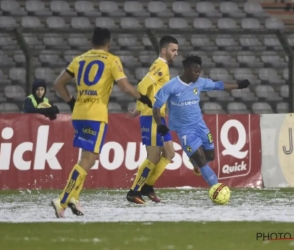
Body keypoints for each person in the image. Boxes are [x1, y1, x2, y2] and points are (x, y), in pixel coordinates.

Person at [51, 27, 152, 218]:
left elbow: (58, 83)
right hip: (96, 115)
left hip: (79, 113)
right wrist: (143, 98)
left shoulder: (79, 59)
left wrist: (72, 102)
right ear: (109, 43)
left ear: (91, 42)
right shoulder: (112, 60)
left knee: (86, 158)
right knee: (89, 159)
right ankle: (62, 200)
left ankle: (74, 197)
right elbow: (124, 86)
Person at [153, 55, 251, 189]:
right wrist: (160, 125)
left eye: (199, 71)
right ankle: (217, 188)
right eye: (195, 71)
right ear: (186, 69)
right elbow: (156, 107)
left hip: (200, 126)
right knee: (201, 160)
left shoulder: (199, 83)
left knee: (210, 156)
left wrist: (238, 85)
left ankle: (194, 162)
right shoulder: (172, 86)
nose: (198, 74)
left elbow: (218, 85)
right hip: (185, 130)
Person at [126, 36, 178, 204]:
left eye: (177, 50)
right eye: (173, 50)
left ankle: (147, 187)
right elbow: (142, 86)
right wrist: (143, 107)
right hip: (152, 118)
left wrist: (138, 108)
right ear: (164, 50)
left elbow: (150, 90)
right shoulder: (160, 66)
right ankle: (134, 192)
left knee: (169, 153)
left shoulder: (163, 66)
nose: (176, 53)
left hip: (159, 117)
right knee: (153, 157)